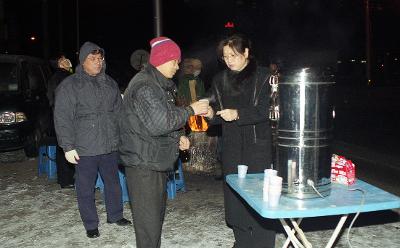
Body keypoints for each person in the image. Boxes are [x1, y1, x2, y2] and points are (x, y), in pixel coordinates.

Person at [118, 36, 209, 248]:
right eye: (175, 61)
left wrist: (179, 137)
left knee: (154, 218)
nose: (178, 66)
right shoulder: (145, 86)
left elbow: (161, 120)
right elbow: (160, 123)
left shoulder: (159, 84)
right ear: (163, 60)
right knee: (148, 223)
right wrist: (191, 110)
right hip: (143, 164)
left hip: (152, 159)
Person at [204, 34, 276, 248]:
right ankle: (242, 241)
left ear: (245, 53)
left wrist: (238, 114)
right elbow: (216, 113)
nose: (229, 60)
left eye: (233, 55)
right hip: (232, 145)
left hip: (258, 146)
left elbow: (269, 110)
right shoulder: (219, 80)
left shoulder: (264, 76)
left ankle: (263, 243)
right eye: (225, 56)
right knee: (234, 195)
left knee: (259, 194)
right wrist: (209, 114)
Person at [54, 41, 131, 239]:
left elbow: (119, 113)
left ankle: (115, 215)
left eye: (100, 58)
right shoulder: (70, 85)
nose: (97, 62)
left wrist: (123, 138)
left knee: (113, 183)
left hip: (109, 144)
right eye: (92, 59)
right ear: (82, 61)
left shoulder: (110, 83)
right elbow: (62, 116)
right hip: (84, 147)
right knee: (85, 187)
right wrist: (67, 146)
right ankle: (90, 224)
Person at [47, 54, 75, 188]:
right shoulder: (62, 77)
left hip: (60, 117)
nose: (67, 61)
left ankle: (65, 179)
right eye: (63, 60)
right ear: (59, 64)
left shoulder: (62, 76)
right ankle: (66, 179)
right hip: (65, 117)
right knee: (66, 147)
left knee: (63, 147)